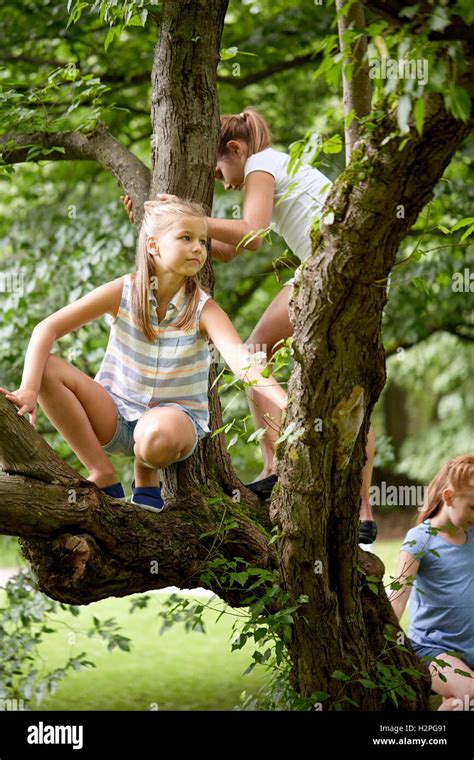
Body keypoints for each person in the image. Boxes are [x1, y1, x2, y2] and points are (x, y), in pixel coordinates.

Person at [123, 108, 377, 543]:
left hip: (327, 272)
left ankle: (275, 467)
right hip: (349, 275)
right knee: (347, 385)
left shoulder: (262, 163)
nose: (223, 182)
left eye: (220, 169)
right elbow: (230, 250)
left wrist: (187, 221)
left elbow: (253, 234)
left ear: (236, 150)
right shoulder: (279, 165)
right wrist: (159, 231)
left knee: (255, 352)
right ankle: (362, 512)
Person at [0, 199, 287, 513]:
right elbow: (47, 328)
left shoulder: (204, 308)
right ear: (154, 245)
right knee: (47, 368)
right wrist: (28, 388)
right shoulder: (125, 291)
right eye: (186, 238)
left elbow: (244, 363)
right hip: (116, 413)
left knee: (153, 435)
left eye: (203, 241)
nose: (198, 248)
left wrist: (285, 403)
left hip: (170, 423)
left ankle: (145, 474)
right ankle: (102, 473)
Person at [390, 455, 474, 711]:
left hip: (469, 647)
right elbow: (398, 596)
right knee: (470, 696)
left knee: (460, 702)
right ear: (448, 497)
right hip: (432, 649)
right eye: (473, 507)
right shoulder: (421, 539)